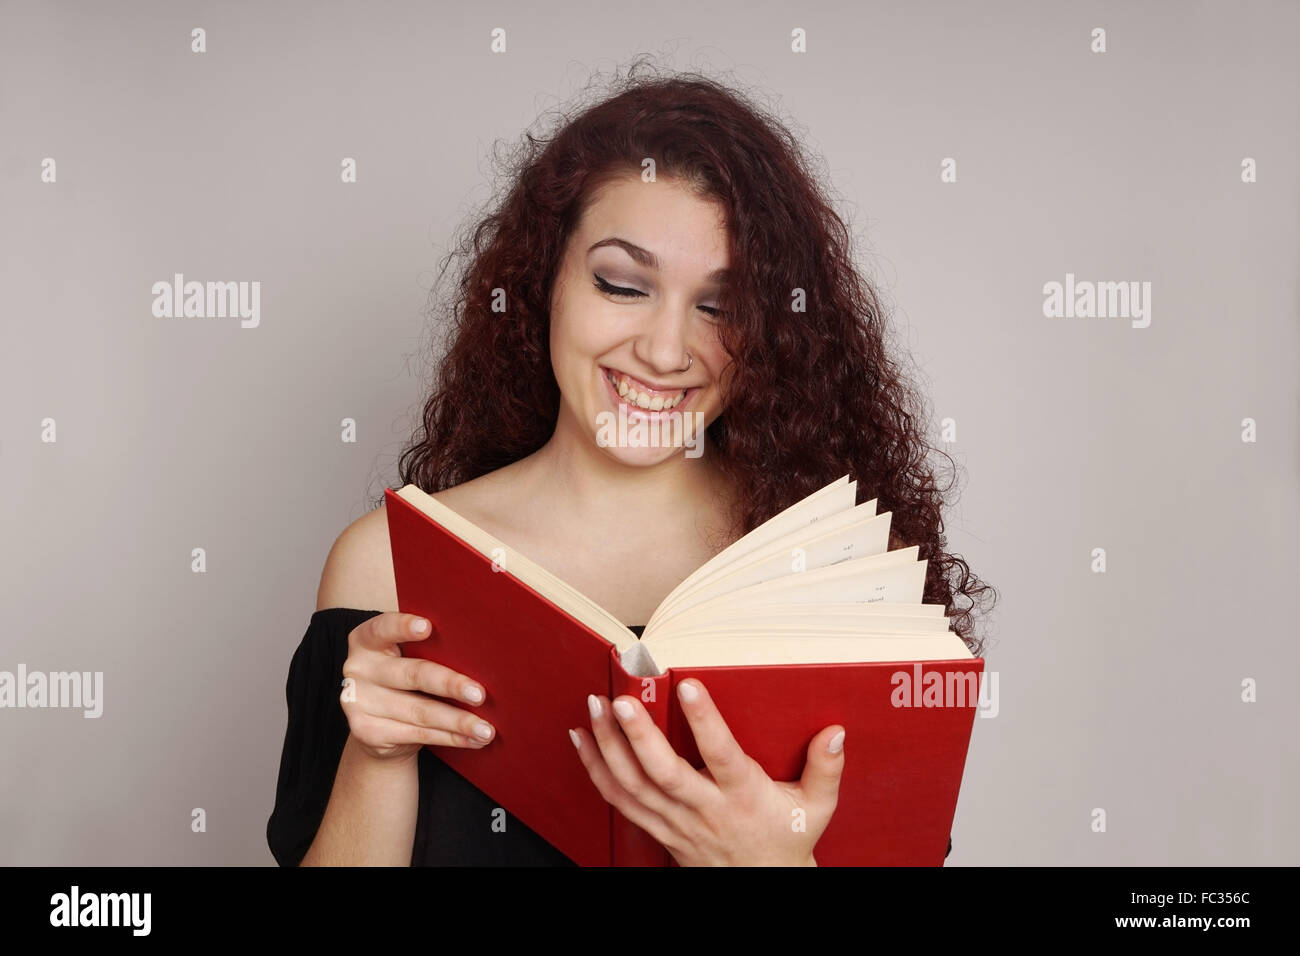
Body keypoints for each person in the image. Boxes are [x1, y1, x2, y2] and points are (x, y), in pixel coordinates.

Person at [267, 59, 995, 867]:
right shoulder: (389, 566)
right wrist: (376, 758)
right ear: (544, 280)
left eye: (719, 307)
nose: (663, 350)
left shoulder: (842, 580)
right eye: (621, 284)